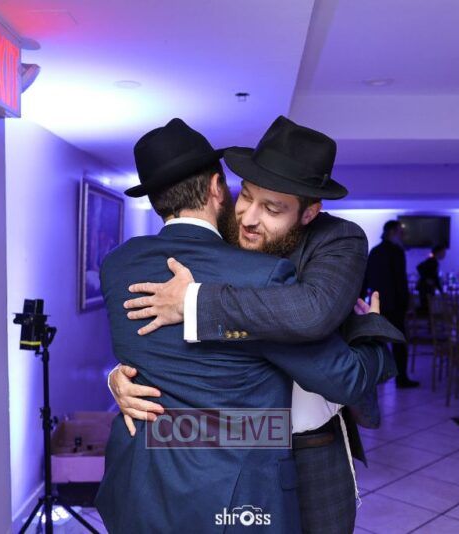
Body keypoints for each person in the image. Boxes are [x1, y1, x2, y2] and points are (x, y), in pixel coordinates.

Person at [95, 118, 393, 534]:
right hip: (218, 455)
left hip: (309, 445)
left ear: (309, 212)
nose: (249, 218)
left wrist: (194, 303)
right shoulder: (227, 238)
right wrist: (121, 376)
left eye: (272, 208)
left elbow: (311, 314)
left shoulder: (338, 241)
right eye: (247, 196)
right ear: (222, 188)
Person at [360, 220, 417, 388]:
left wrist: (361, 300)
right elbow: (400, 280)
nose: (403, 235)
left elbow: (366, 277)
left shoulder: (375, 251)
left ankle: (379, 376)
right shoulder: (397, 251)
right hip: (396, 304)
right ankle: (402, 378)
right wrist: (407, 303)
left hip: (378, 303)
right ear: (392, 232)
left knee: (378, 342)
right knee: (399, 342)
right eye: (400, 232)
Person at [416, 244, 447, 313]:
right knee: (427, 307)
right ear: (439, 252)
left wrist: (424, 277)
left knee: (425, 306)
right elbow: (435, 277)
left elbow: (419, 267)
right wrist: (441, 290)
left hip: (424, 286)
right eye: (443, 252)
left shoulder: (431, 260)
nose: (444, 255)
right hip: (426, 288)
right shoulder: (433, 261)